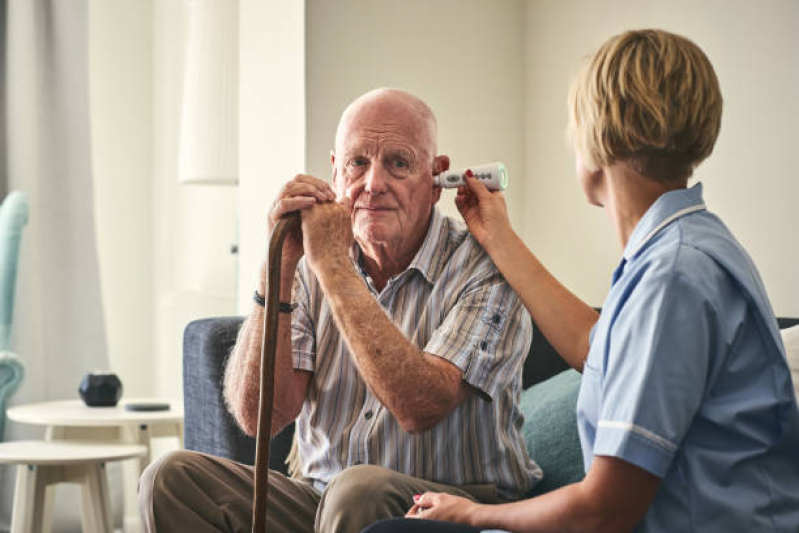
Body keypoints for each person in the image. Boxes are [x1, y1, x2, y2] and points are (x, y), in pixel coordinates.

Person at [363, 29, 799, 533]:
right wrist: (500, 238)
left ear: (597, 136)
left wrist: (473, 513)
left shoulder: (672, 278)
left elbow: (605, 511)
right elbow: (596, 349)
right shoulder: (688, 248)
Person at [138, 88, 540, 532]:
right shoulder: (312, 262)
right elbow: (259, 418)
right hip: (318, 498)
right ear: (335, 170)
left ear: (436, 177)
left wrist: (330, 264)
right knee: (169, 479)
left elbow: (420, 406)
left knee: (358, 490)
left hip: (447, 504)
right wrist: (278, 269)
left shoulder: (484, 267)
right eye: (358, 163)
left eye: (398, 163)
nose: (373, 184)